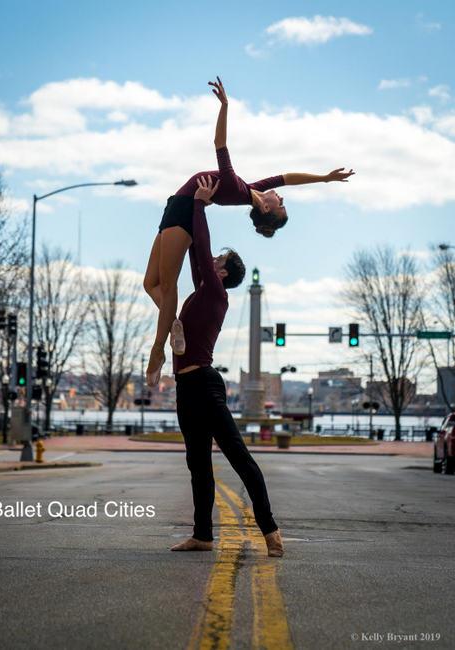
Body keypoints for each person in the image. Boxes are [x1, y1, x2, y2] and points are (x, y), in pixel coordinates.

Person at [143, 77, 354, 386]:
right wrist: (323, 177)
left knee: (169, 285)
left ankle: (157, 352)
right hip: (174, 206)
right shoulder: (252, 189)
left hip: (186, 212)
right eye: (281, 200)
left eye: (280, 205)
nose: (280, 197)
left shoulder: (235, 184)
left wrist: (225, 106)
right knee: (150, 284)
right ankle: (175, 325)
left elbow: (219, 144)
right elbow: (288, 177)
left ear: (267, 210)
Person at [169, 175, 284, 558]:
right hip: (185, 386)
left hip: (204, 383)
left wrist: (200, 205)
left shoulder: (216, 292)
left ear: (221, 273)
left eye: (217, 260)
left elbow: (200, 248)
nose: (211, 259)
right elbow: (193, 253)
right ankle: (203, 535)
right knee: (197, 464)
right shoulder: (204, 290)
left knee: (238, 457)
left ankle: (270, 530)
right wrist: (187, 214)